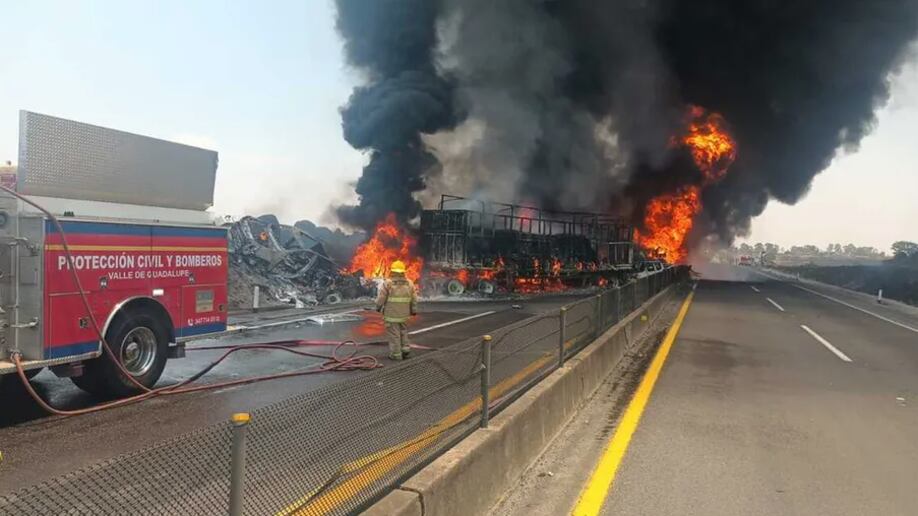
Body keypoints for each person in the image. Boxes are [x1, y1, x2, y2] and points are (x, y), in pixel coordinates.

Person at [375, 260, 418, 360]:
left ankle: (396, 355)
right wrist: (413, 310)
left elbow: (381, 298)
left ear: (392, 271)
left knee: (394, 335)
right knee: (403, 331)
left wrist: (378, 307)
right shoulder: (410, 283)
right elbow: (414, 299)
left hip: (391, 315)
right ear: (403, 272)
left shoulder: (388, 283)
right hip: (404, 315)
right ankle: (405, 350)